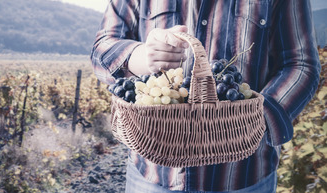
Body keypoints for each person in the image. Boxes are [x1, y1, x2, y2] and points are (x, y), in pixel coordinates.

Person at [91, 0, 321, 192]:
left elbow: (301, 64)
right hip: (151, 177)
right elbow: (102, 47)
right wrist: (139, 57)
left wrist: (255, 120)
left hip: (243, 177)